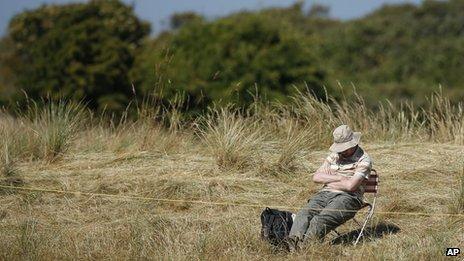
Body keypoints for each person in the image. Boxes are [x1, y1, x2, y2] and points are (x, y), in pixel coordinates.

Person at [287, 124, 373, 251]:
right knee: (303, 214)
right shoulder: (335, 155)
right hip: (325, 193)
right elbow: (316, 177)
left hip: (349, 198)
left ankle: (305, 250)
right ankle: (291, 247)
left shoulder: (364, 160)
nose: (342, 151)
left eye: (345, 148)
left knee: (319, 220)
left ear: (353, 143)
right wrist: (340, 178)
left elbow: (351, 186)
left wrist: (329, 179)